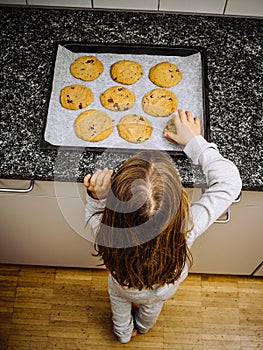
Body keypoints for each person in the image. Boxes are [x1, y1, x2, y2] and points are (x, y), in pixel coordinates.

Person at [83, 109, 242, 344]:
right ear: (180, 202)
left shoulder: (108, 230)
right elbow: (230, 182)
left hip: (122, 283)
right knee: (152, 306)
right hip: (165, 287)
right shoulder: (187, 225)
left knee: (118, 302)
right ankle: (145, 327)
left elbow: (92, 215)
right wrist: (195, 142)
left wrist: (98, 196)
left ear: (116, 212)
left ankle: (124, 334)